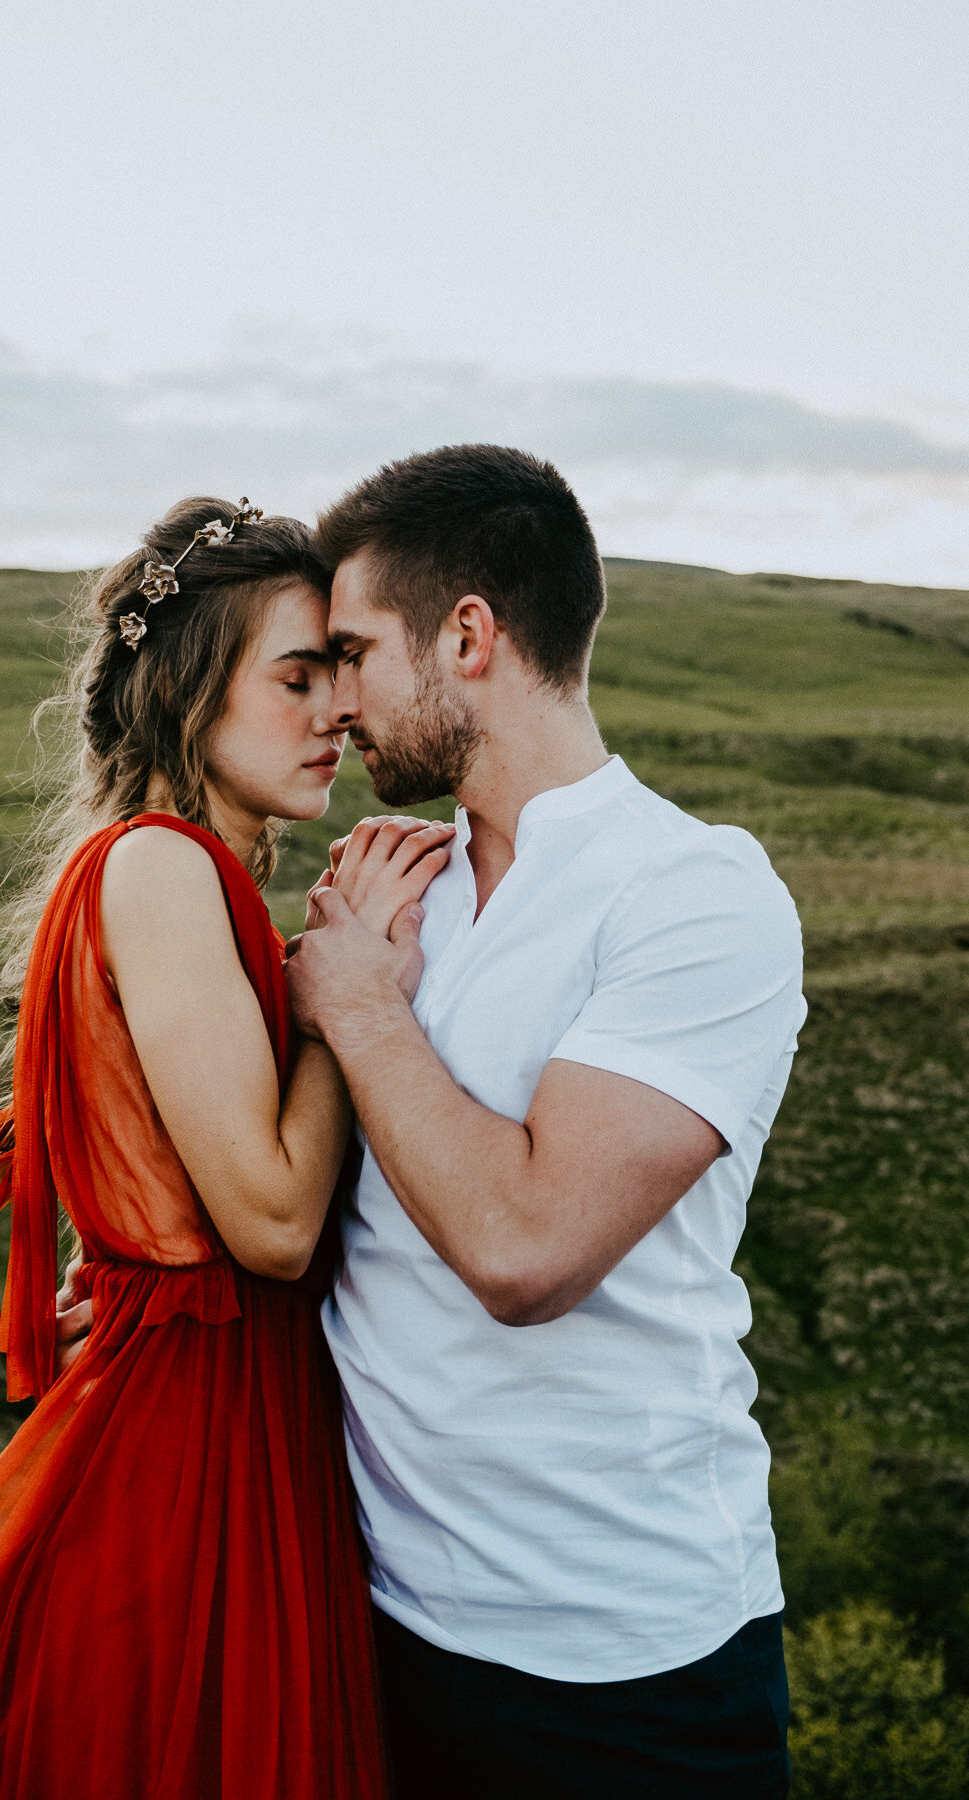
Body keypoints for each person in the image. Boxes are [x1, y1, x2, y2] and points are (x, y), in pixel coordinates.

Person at [0, 497, 453, 1800]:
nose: (337, 716)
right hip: (188, 1456)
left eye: (341, 676)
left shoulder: (192, 878)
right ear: (190, 691)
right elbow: (272, 1223)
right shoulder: (163, 869)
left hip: (235, 1430)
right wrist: (353, 995)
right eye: (296, 677)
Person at [283, 445, 804, 1798]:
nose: (334, 703)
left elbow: (528, 1253)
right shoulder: (396, 891)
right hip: (376, 1622)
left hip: (623, 1668)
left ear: (468, 636)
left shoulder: (694, 891)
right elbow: (344, 1218)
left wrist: (360, 1007)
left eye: (351, 652)